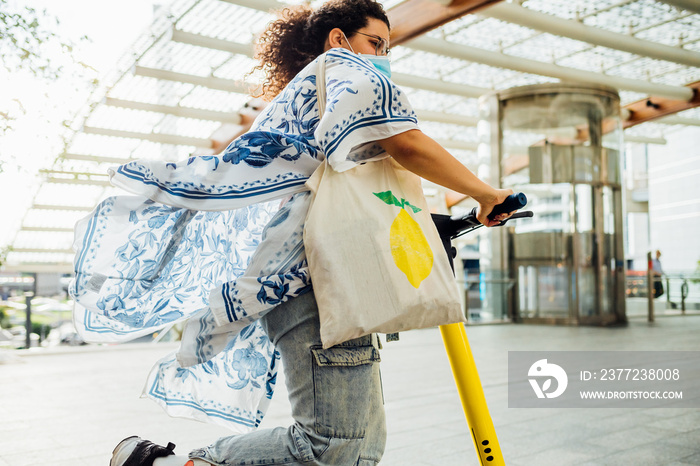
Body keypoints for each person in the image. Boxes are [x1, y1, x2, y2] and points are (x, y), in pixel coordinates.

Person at [70, 1, 514, 465]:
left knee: (356, 448)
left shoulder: (299, 103)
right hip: (317, 282)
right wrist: (485, 193)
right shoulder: (341, 68)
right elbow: (404, 141)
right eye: (375, 43)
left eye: (388, 47)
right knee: (336, 447)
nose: (382, 56)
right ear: (339, 40)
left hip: (305, 281)